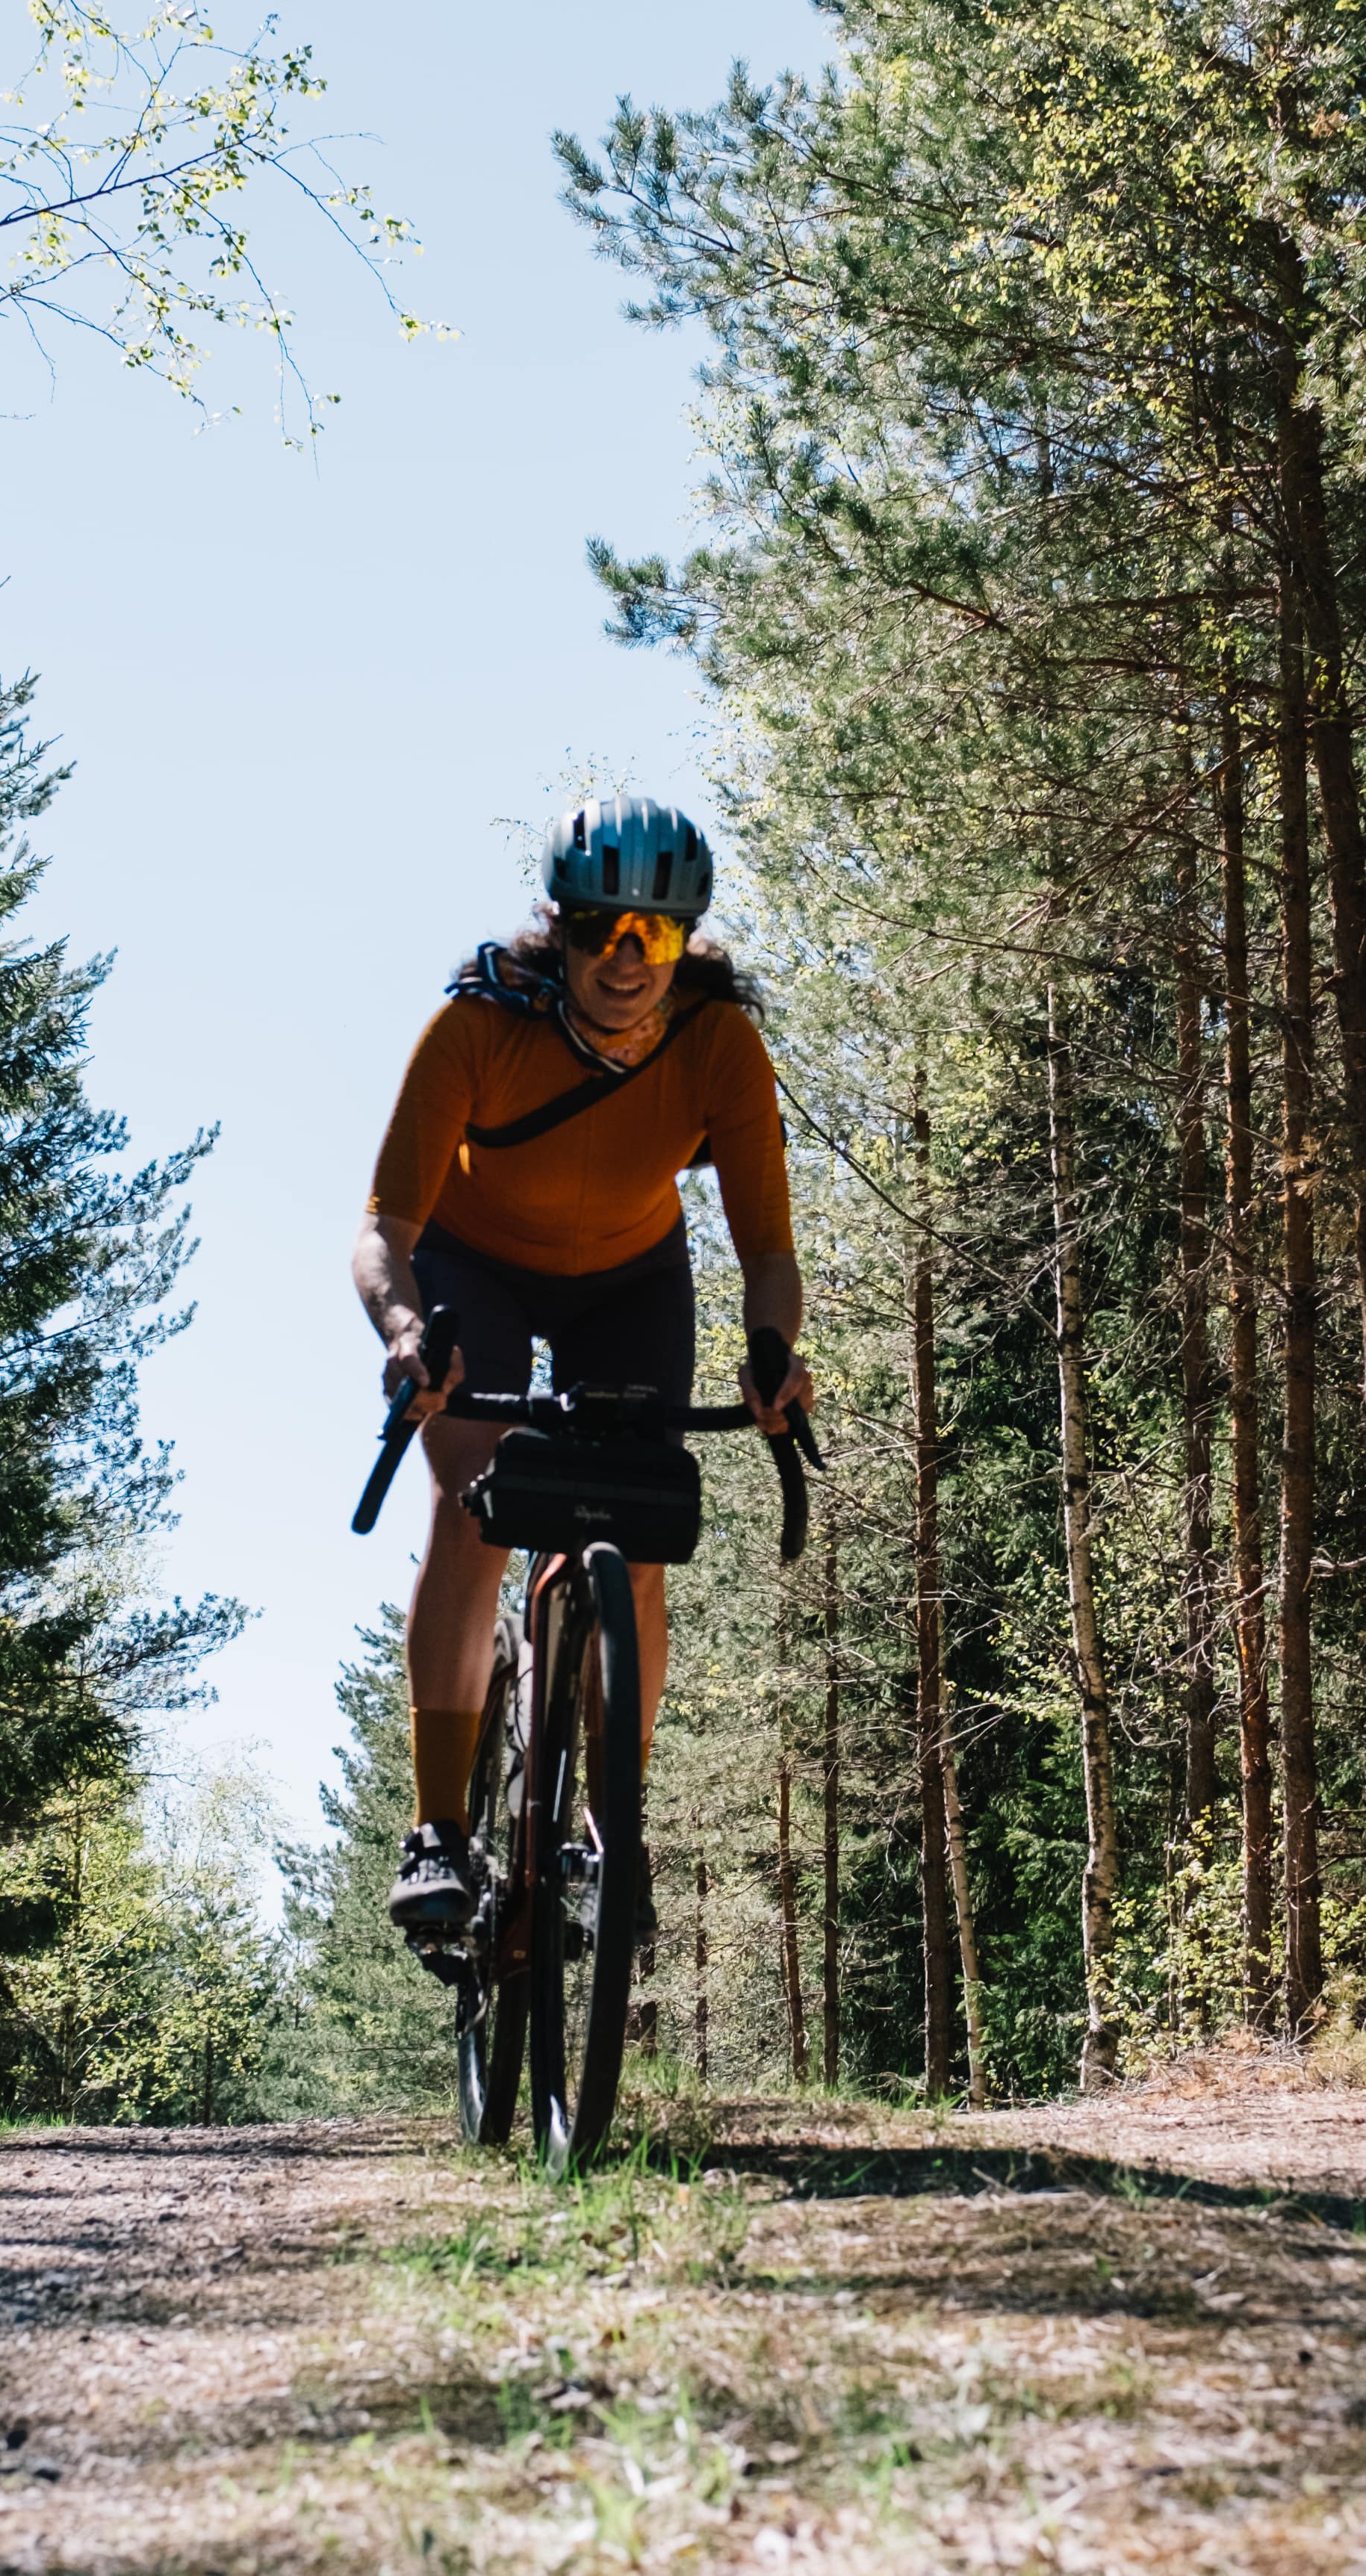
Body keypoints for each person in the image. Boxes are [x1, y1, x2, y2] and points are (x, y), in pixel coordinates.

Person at [354, 795, 813, 1932]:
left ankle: (611, 1831)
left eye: (650, 936)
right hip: (476, 1265)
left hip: (628, 1279)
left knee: (639, 1536)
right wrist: (405, 1336)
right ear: (557, 927)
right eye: (601, 928)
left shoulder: (719, 1043)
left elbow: (766, 1248)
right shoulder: (474, 1029)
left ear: (684, 940)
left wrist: (773, 1357)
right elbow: (383, 1232)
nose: (623, 958)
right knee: (474, 1504)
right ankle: (438, 1833)